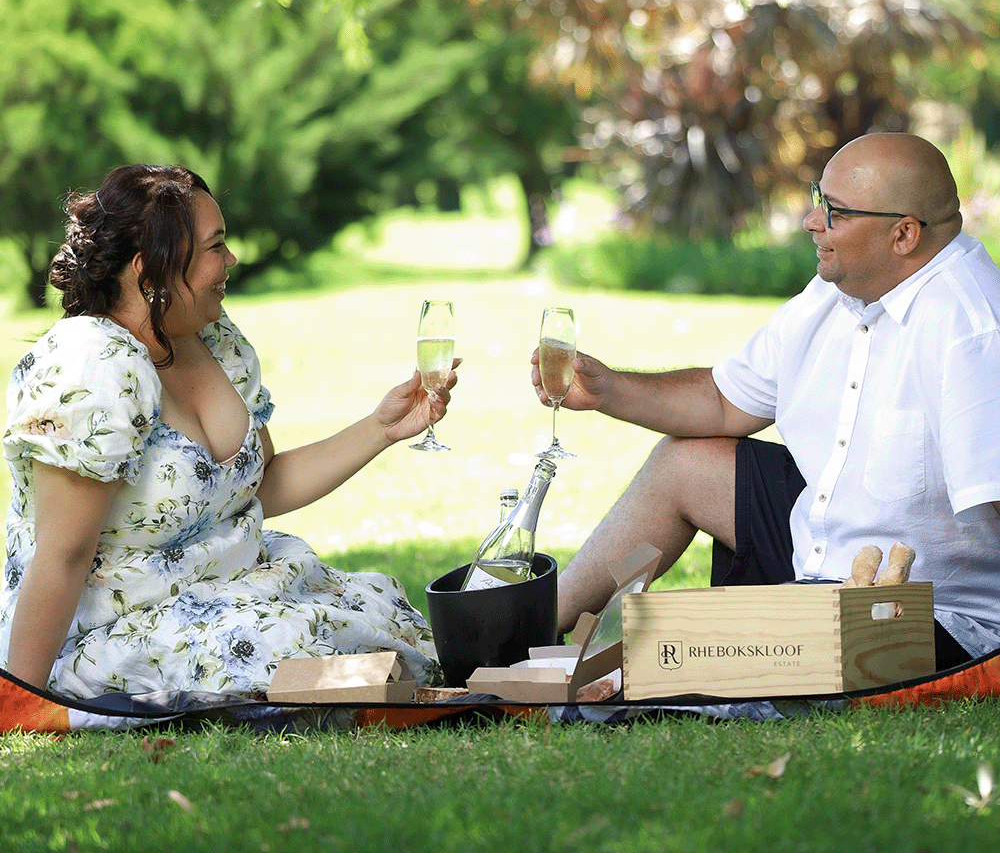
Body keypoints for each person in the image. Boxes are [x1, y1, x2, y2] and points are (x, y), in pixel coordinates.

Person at [535, 132, 1000, 671]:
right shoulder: (838, 290)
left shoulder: (971, 327)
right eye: (816, 198)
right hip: (823, 563)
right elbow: (723, 401)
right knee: (685, 462)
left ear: (903, 234)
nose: (811, 221)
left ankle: (610, 673)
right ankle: (531, 628)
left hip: (935, 614)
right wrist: (609, 389)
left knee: (687, 654)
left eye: (835, 212)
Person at [1, 165, 459, 699]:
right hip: (118, 628)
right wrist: (21, 700)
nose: (232, 260)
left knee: (396, 640)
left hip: (232, 590)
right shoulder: (92, 366)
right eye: (215, 245)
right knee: (317, 663)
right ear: (150, 270)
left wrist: (381, 428)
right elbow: (63, 555)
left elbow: (256, 487)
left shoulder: (213, 339)